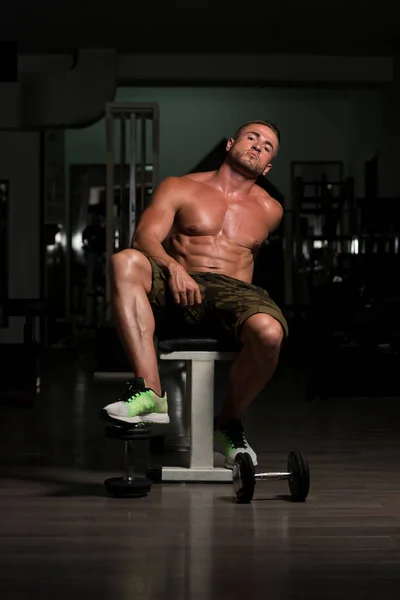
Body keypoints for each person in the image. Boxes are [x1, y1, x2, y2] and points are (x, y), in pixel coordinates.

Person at [101, 120, 288, 469]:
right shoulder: (180, 187)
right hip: (177, 281)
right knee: (124, 262)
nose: (258, 146)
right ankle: (150, 393)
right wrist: (174, 268)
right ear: (232, 142)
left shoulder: (271, 209)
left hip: (233, 292)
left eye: (267, 147)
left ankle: (227, 423)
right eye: (253, 137)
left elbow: (250, 261)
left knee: (271, 332)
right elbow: (143, 237)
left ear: (268, 166)